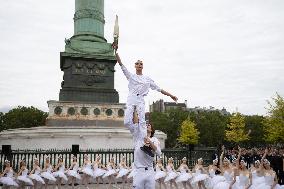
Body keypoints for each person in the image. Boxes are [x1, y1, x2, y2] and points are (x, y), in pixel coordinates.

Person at [115, 52, 178, 156]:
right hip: (131, 99)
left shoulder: (147, 79)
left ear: (142, 66)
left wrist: (170, 95)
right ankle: (137, 138)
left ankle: (146, 145)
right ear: (135, 66)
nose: (139, 65)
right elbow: (121, 65)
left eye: (141, 64)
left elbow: (159, 89)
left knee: (142, 124)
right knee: (127, 122)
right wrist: (115, 52)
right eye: (137, 63)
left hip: (140, 100)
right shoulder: (131, 76)